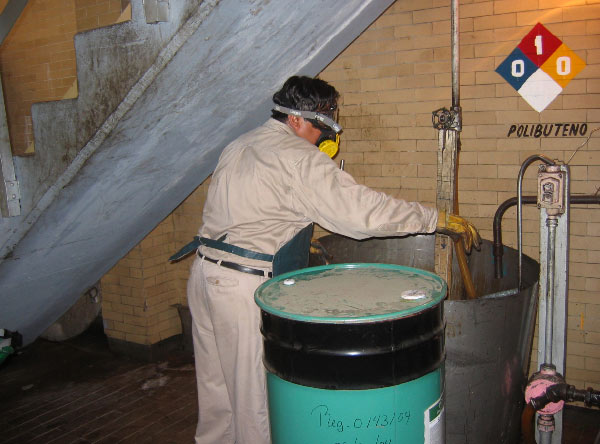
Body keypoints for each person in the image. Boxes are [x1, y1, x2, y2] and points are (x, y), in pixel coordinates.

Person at [185, 75, 480, 444]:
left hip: (205, 273)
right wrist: (433, 219)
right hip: (242, 288)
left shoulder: (241, 143)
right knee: (253, 405)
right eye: (321, 127)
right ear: (295, 119)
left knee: (217, 398)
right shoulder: (298, 158)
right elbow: (360, 213)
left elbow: (256, 210)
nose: (325, 137)